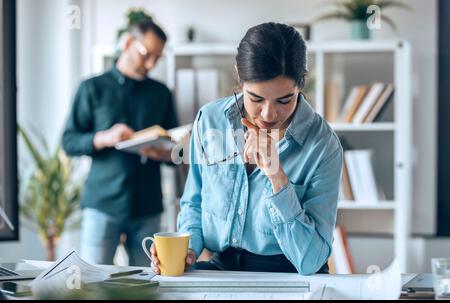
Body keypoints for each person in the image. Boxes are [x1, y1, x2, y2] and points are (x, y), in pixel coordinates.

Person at [150, 22, 343, 275]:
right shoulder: (209, 121)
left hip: (290, 274)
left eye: (285, 99)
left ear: (301, 83)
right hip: (222, 267)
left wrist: (278, 179)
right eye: (256, 98)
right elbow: (194, 203)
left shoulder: (323, 146)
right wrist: (189, 249)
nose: (269, 113)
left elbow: (311, 261)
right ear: (239, 79)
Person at [63, 19, 178, 267]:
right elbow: (69, 141)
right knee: (91, 283)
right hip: (102, 203)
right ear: (128, 42)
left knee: (148, 284)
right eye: (146, 54)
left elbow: (176, 148)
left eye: (157, 59)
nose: (150, 64)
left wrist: (164, 153)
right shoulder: (91, 87)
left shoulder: (162, 93)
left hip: (148, 205)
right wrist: (103, 138)